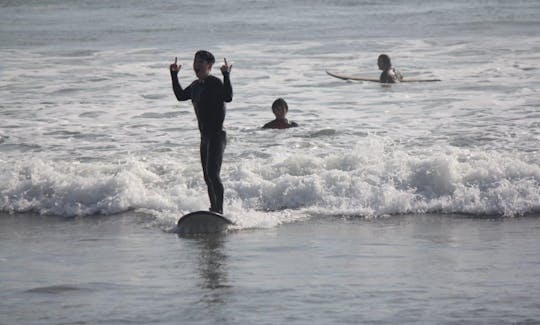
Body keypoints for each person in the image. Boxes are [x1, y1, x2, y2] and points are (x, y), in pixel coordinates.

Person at [169, 50, 233, 214]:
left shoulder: (215, 82)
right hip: (204, 137)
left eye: (200, 62)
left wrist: (226, 75)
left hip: (217, 135)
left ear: (209, 66)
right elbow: (180, 96)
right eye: (195, 61)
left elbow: (228, 97)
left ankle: (219, 211)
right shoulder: (195, 86)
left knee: (213, 174)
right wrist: (174, 75)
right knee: (207, 176)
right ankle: (213, 208)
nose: (196, 65)